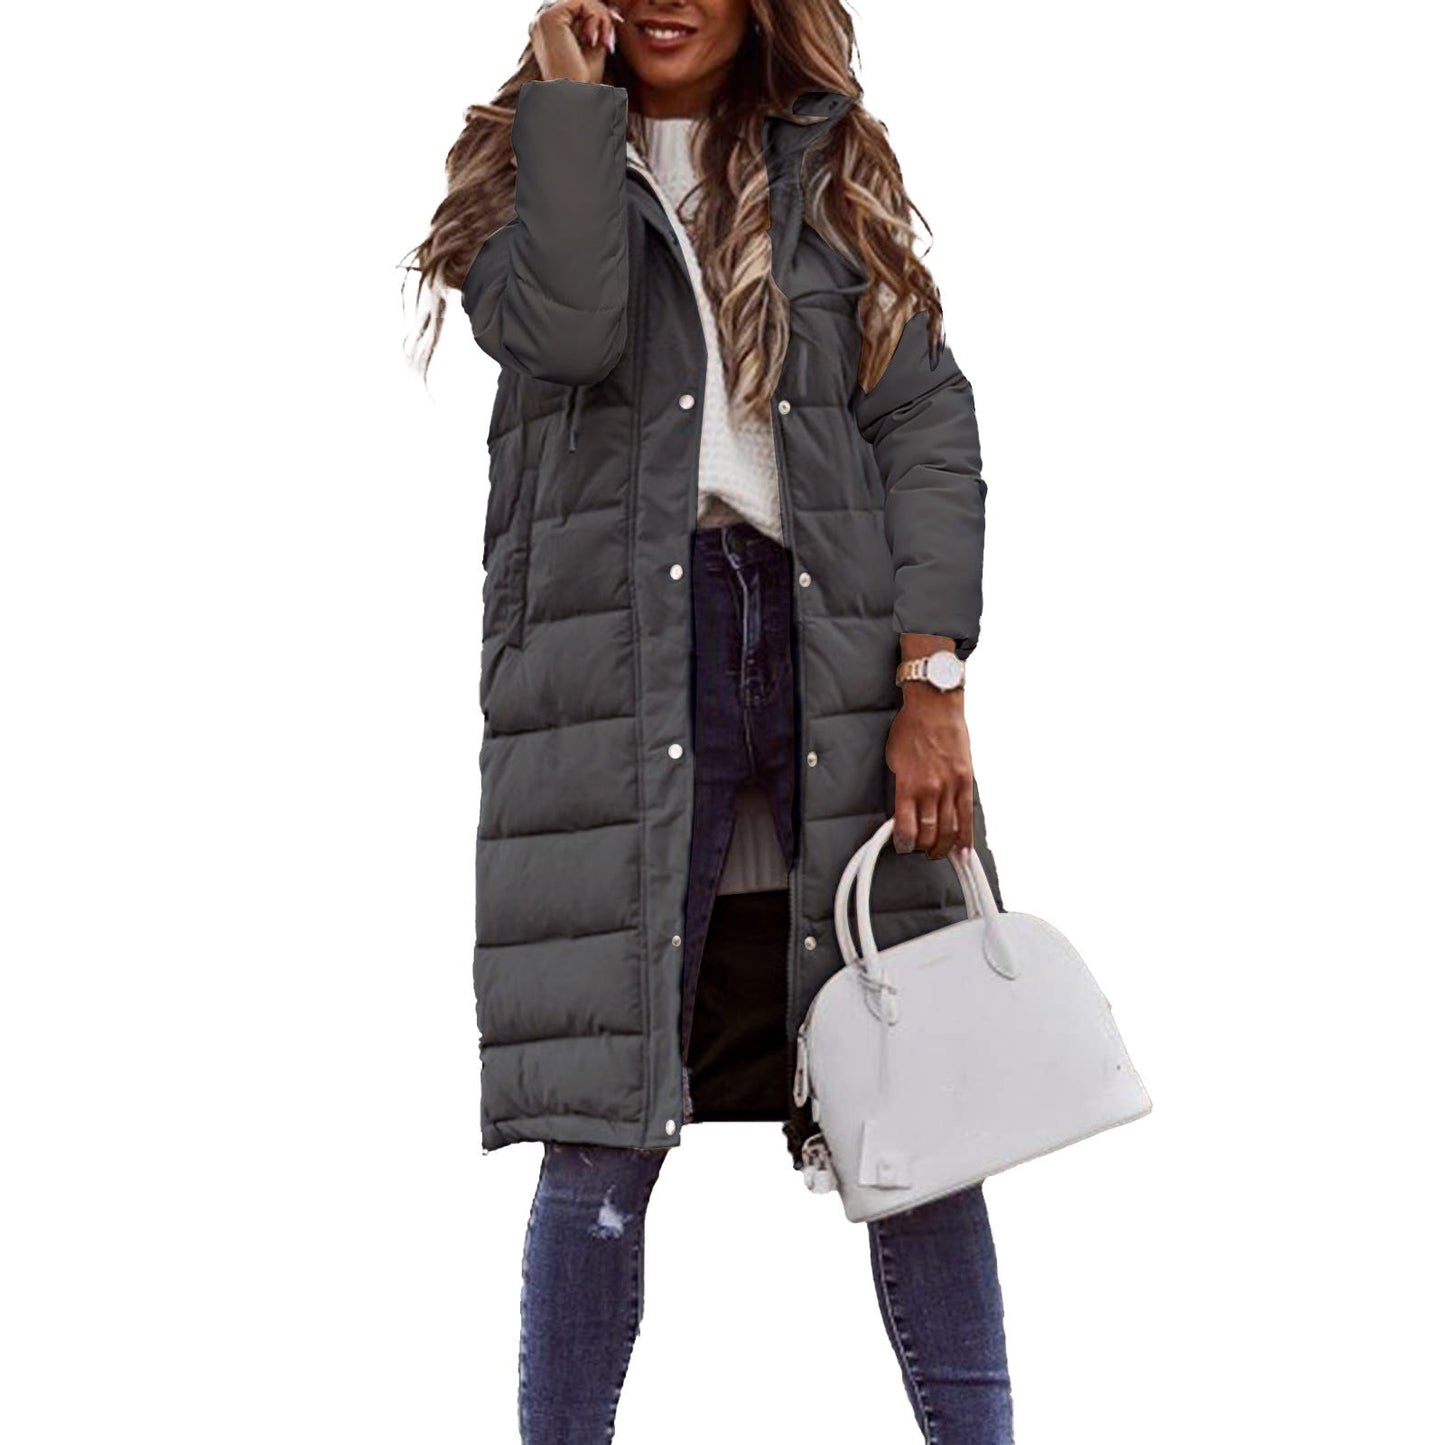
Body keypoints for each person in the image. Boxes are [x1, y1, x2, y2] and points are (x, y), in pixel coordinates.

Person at [404, 2, 1013, 1439]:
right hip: (619, 661)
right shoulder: (520, 167)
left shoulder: (829, 168)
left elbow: (924, 428)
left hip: (826, 649)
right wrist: (572, 111)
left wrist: (931, 679)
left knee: (914, 1106)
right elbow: (569, 325)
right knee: (602, 1116)